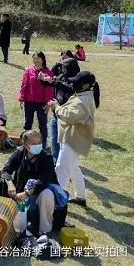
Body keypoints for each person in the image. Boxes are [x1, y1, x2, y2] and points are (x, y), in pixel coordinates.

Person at [0, 130, 68, 236]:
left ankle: (45, 231)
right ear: (25, 145)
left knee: (47, 194)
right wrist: (10, 183)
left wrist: (26, 193)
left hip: (38, 194)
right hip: (20, 194)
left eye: (39, 143)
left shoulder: (47, 158)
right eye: (34, 144)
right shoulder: (19, 153)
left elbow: (43, 181)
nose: (38, 146)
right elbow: (6, 170)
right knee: (18, 227)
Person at [48, 71, 99, 207]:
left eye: (77, 81)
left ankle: (55, 202)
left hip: (72, 140)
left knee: (62, 170)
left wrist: (56, 108)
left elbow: (68, 116)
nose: (73, 83)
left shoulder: (83, 101)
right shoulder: (84, 94)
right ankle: (80, 197)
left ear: (86, 85)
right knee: (74, 168)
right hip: (73, 138)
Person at [40, 57, 80, 162]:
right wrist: (44, 78)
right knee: (54, 140)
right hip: (56, 114)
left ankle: (64, 163)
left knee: (64, 143)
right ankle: (55, 162)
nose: (62, 69)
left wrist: (52, 80)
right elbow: (50, 82)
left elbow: (67, 87)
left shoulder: (76, 79)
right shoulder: (62, 76)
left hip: (67, 117)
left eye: (64, 66)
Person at [18, 52, 54, 148]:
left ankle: (43, 145)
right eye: (34, 58)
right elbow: (24, 86)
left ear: (42, 59)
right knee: (27, 125)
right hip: (29, 102)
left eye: (38, 58)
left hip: (42, 103)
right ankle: (25, 144)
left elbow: (50, 90)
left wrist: (48, 103)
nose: (36, 60)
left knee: (42, 126)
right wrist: (21, 98)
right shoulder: (28, 71)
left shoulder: (48, 73)